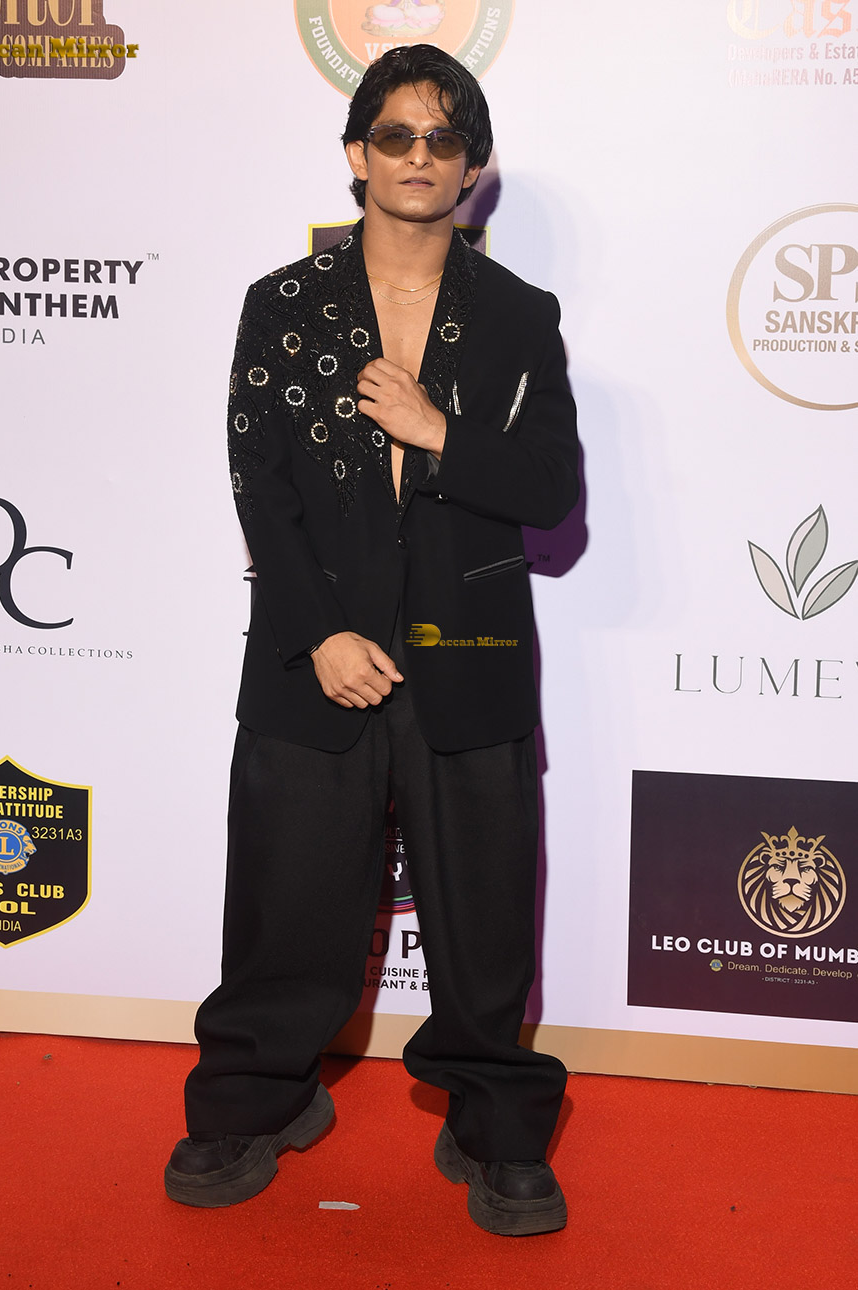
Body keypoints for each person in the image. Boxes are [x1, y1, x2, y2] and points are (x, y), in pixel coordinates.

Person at [164, 44, 580, 1237]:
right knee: (285, 902)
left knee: (484, 920)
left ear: (472, 166)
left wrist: (438, 431)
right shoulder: (283, 305)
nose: (417, 157)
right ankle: (253, 1101)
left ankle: (494, 1126)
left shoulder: (519, 317)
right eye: (395, 135)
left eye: (442, 139)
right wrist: (320, 633)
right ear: (357, 153)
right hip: (316, 653)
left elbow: (549, 489)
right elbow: (259, 486)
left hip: (470, 652)